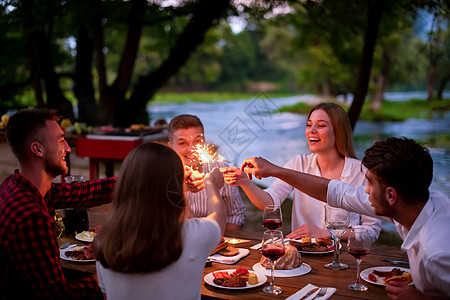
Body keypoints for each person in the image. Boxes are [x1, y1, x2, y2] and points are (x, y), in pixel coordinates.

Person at [240, 137, 450, 299]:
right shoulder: (419, 202)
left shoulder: (437, 253)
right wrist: (275, 170)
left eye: (369, 184)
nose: (364, 191)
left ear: (390, 195)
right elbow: (336, 192)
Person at [0, 108, 116, 299]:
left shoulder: (14, 186)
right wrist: (108, 276)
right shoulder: (32, 217)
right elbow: (60, 296)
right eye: (61, 140)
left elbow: (82, 193)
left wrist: (136, 180)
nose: (68, 148)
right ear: (38, 149)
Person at [222, 103, 381, 241]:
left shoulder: (361, 172)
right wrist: (245, 182)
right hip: (304, 256)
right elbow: (270, 202)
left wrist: (324, 233)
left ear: (338, 131)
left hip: (344, 258)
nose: (311, 130)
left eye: (320, 125)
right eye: (309, 124)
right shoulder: (298, 164)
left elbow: (371, 231)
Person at [93, 142, 226, 300]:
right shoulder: (194, 234)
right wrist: (210, 183)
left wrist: (177, 181)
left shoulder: (104, 240)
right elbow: (219, 217)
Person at [168, 114, 245, 231]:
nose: (191, 149)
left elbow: (235, 215)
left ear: (204, 142)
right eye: (182, 143)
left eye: (197, 141)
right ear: (171, 146)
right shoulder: (163, 172)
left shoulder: (220, 167)